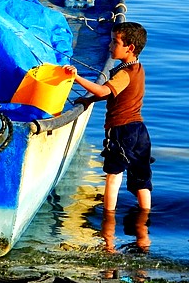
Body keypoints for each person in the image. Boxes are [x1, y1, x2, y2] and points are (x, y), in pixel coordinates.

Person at [65, 21, 154, 213]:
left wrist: (77, 78)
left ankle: (109, 219)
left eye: (115, 42)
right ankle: (145, 219)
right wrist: (89, 101)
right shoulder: (138, 69)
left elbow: (104, 90)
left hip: (122, 130)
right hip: (139, 130)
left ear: (129, 48)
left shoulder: (124, 73)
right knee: (141, 177)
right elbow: (117, 94)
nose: (109, 46)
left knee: (113, 174)